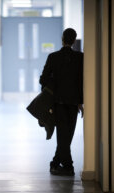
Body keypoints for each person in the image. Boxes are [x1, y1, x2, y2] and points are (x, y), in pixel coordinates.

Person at [39, 28, 84, 176]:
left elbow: (43, 80)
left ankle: (63, 165)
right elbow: (81, 81)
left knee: (62, 135)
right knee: (67, 135)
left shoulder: (53, 57)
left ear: (62, 39)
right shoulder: (81, 58)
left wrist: (54, 84)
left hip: (58, 102)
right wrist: (81, 102)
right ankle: (61, 164)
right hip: (74, 103)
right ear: (74, 39)